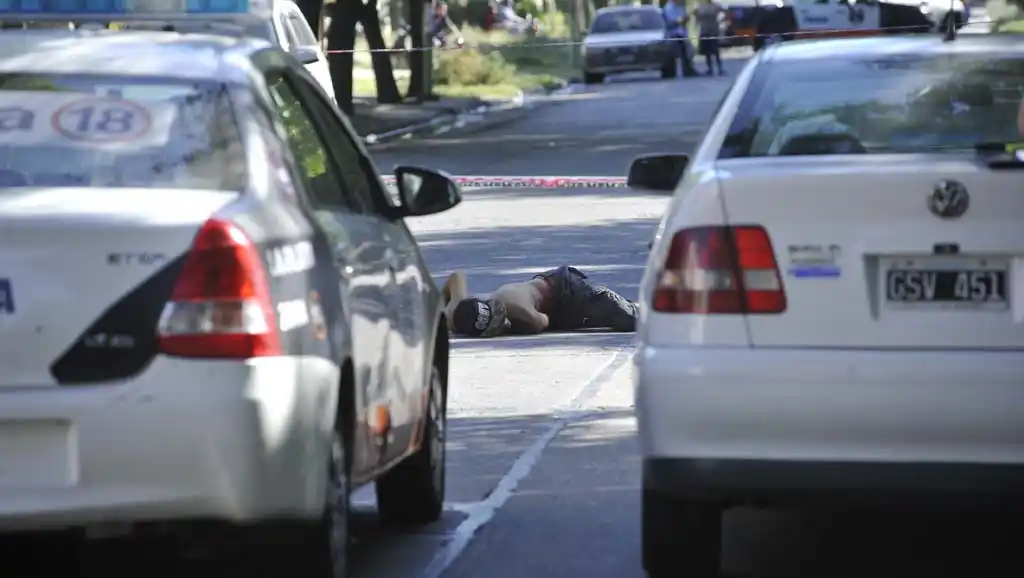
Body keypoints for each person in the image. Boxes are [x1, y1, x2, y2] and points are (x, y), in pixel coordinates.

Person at [443, 266, 639, 337]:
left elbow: (542, 321)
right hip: (556, 312)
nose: (504, 326)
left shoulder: (515, 304)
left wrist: (519, 321)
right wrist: (447, 300)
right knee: (599, 320)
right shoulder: (457, 316)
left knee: (628, 318)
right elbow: (457, 275)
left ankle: (645, 309)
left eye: (500, 321)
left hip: (564, 289)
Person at [661, 0, 699, 78]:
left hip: (681, 34)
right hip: (674, 34)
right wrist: (683, 19)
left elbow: (683, 19)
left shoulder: (678, 7)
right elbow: (673, 21)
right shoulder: (669, 7)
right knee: (674, 55)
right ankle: (669, 73)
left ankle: (688, 71)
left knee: (685, 54)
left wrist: (687, 17)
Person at [694, 0, 726, 75]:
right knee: (707, 52)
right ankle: (710, 68)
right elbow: (695, 16)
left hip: (713, 31)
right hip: (704, 31)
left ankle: (719, 68)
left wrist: (722, 20)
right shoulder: (700, 7)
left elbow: (725, 11)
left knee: (715, 51)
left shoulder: (714, 6)